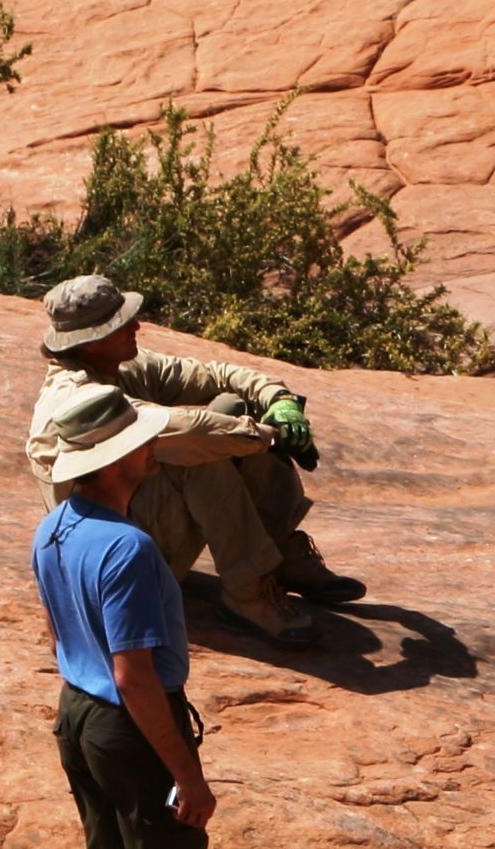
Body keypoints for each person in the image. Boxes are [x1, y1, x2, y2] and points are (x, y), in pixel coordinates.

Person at [31, 385, 268, 849]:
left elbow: (57, 632)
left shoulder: (54, 528)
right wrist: (187, 775)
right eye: (141, 439)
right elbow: (134, 675)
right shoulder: (126, 548)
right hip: (129, 728)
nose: (151, 445)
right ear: (118, 458)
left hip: (78, 715)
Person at [27, 276, 363, 650]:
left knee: (237, 409)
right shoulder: (77, 396)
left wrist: (279, 400)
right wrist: (272, 436)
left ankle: (280, 552)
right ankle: (248, 593)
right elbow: (185, 430)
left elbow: (217, 375)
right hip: (116, 555)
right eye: (122, 323)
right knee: (200, 455)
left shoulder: (121, 366)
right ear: (92, 340)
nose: (136, 325)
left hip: (139, 521)